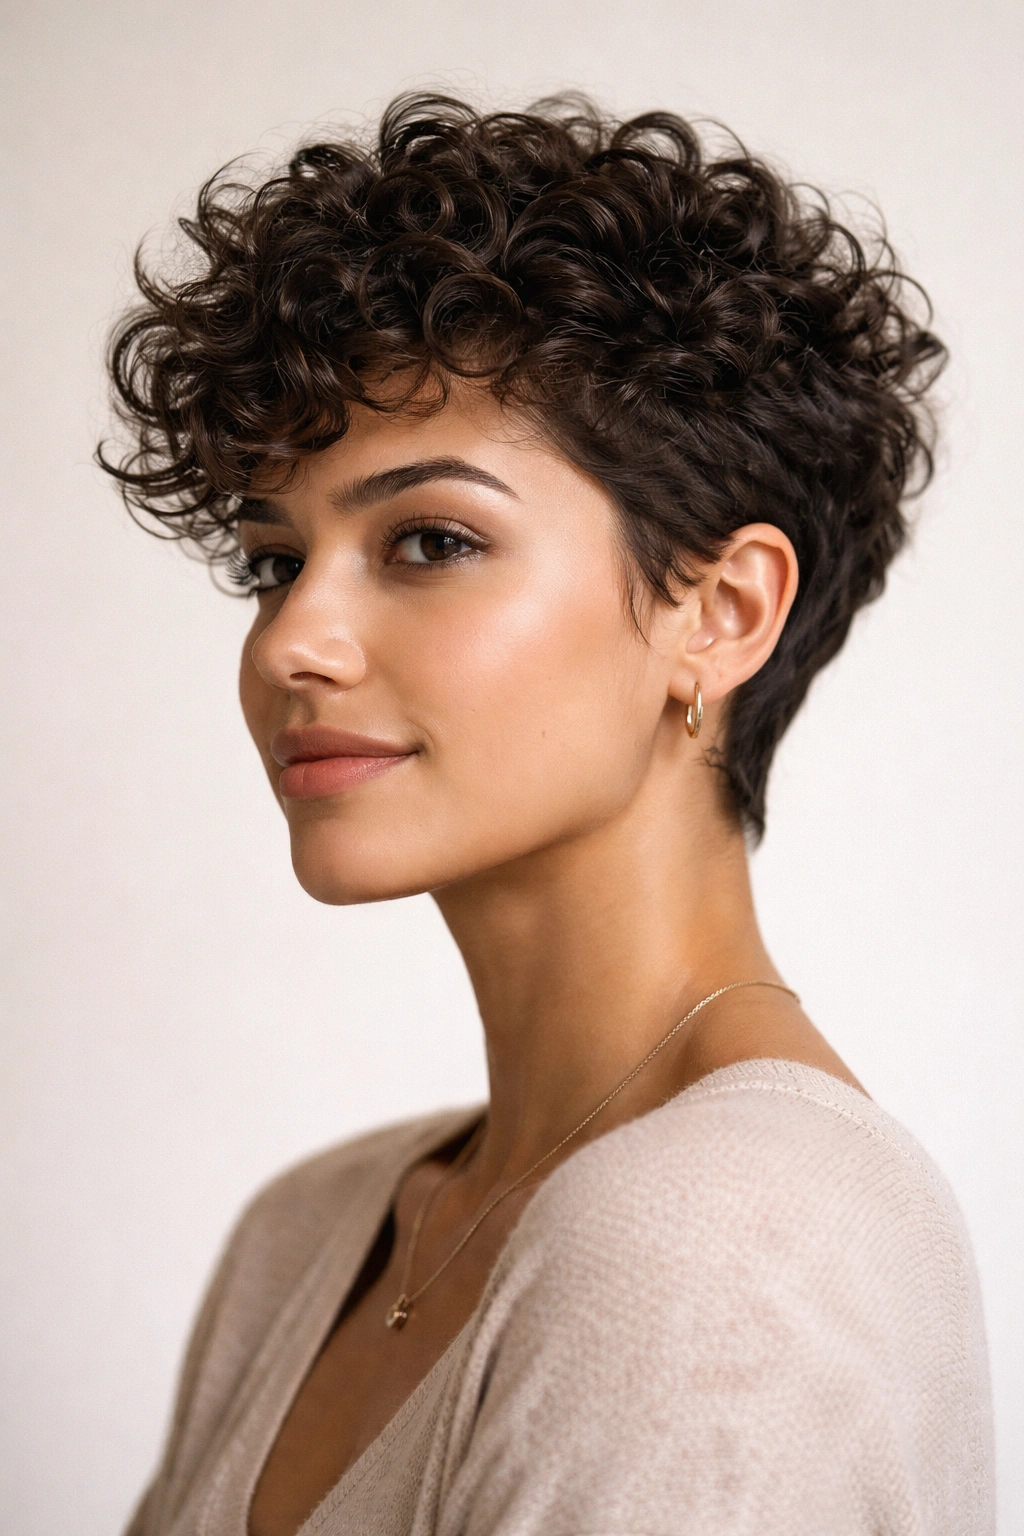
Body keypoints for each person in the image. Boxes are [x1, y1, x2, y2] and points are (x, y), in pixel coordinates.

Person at [101, 94, 994, 1536]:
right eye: (275, 563)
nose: (292, 646)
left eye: (430, 541)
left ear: (721, 611)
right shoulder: (311, 1234)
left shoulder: (726, 1236)